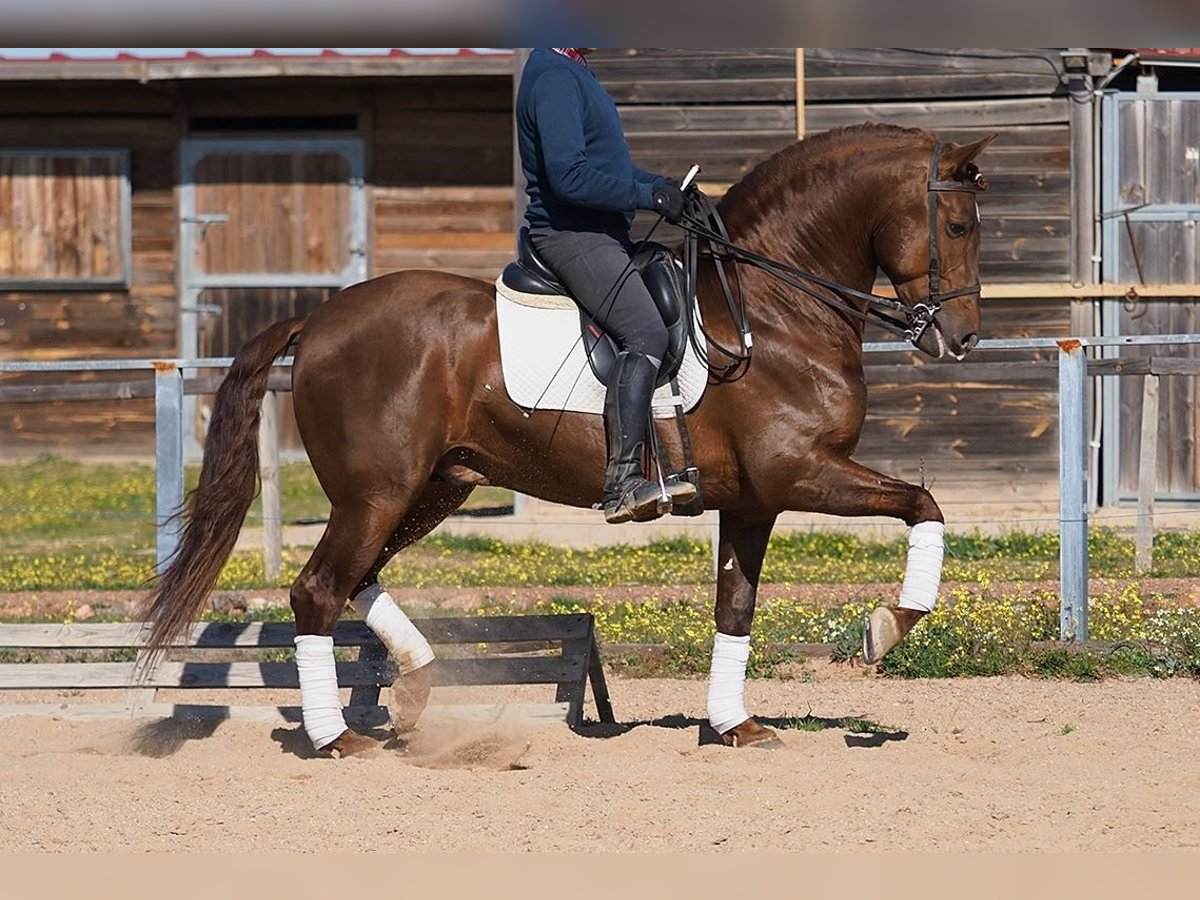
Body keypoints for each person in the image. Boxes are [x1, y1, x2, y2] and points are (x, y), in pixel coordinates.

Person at [516, 47, 695, 524]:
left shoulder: (575, 68)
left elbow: (609, 170)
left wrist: (662, 185)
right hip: (573, 236)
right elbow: (569, 177)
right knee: (645, 333)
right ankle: (622, 482)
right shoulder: (554, 74)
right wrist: (644, 196)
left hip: (604, 233)